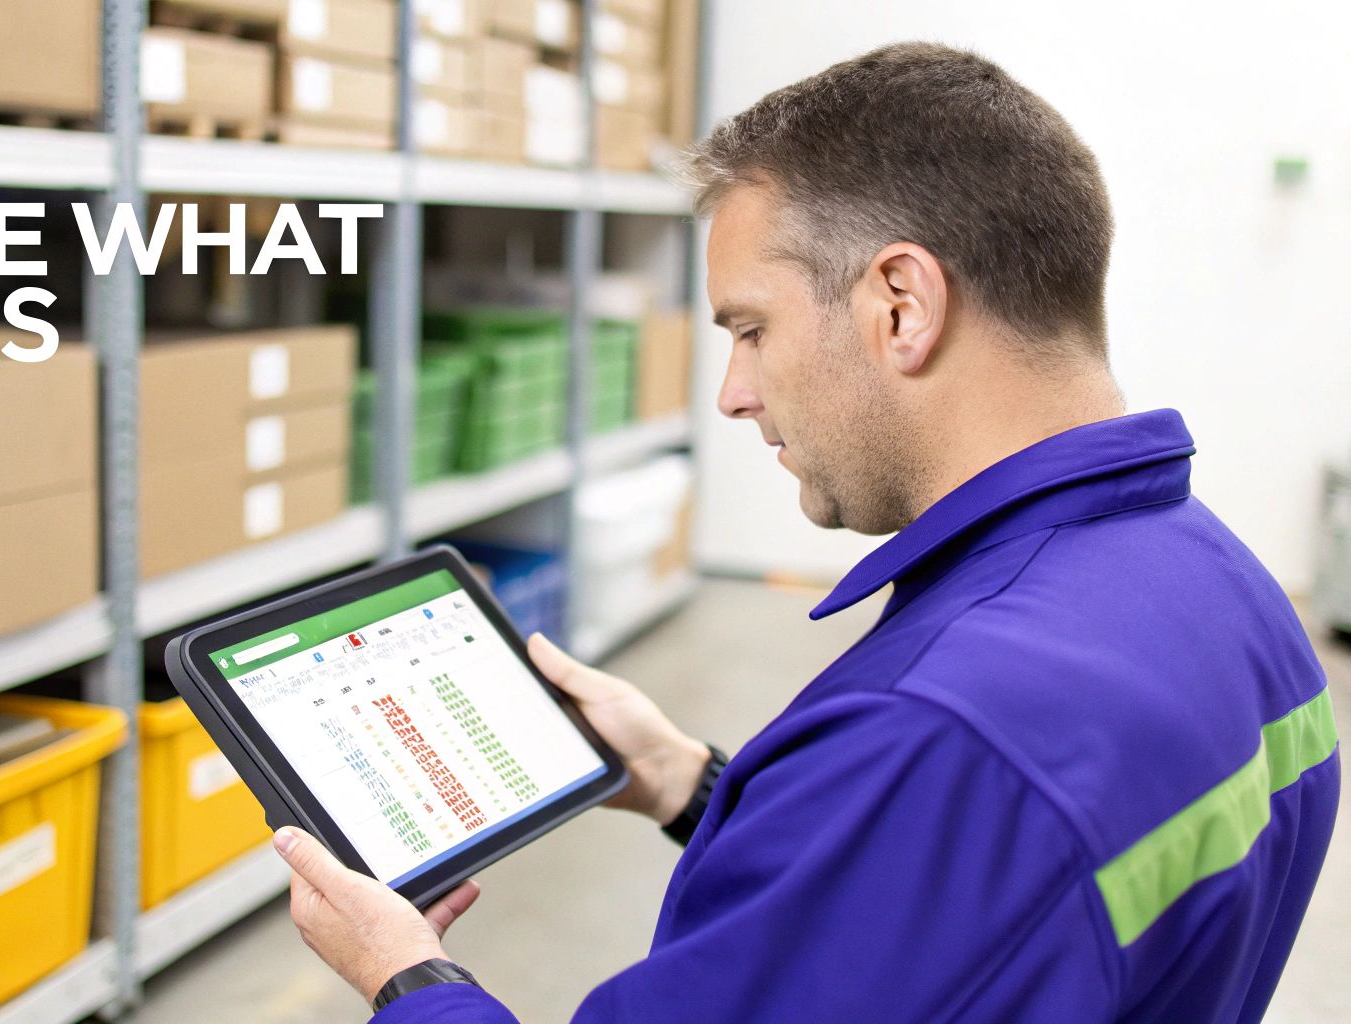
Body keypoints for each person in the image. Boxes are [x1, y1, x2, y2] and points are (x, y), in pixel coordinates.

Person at [271, 42, 1340, 1022]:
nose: (732, 393)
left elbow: (948, 817)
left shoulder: (935, 734)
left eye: (750, 328)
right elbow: (957, 918)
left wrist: (405, 973)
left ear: (901, 305)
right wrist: (691, 782)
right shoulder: (1232, 593)